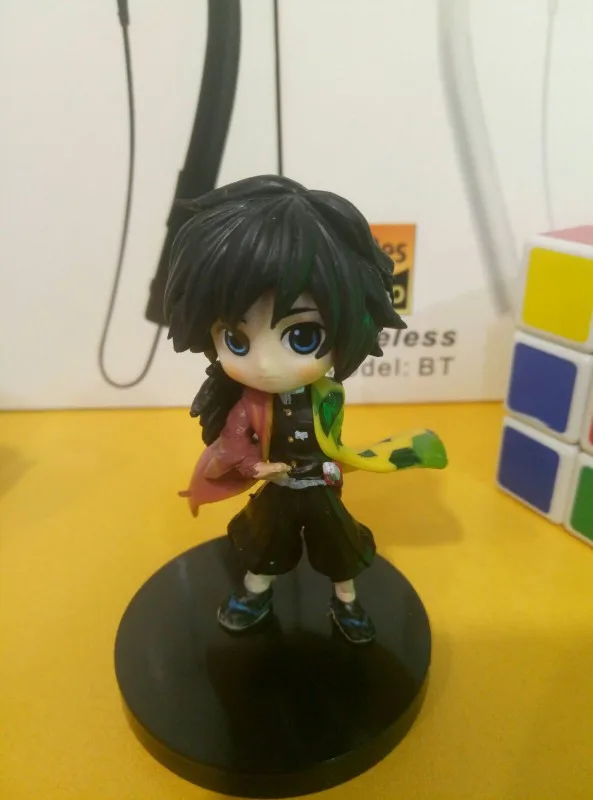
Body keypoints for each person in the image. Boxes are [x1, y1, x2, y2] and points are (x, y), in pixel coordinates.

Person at [164, 175, 447, 644]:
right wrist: (258, 467)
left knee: (340, 547)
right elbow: (234, 445)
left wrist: (334, 467)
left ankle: (346, 601)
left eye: (302, 337)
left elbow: (331, 441)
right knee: (264, 545)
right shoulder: (249, 406)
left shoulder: (327, 395)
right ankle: (255, 594)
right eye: (236, 339)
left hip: (320, 489)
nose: (266, 365)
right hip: (278, 488)